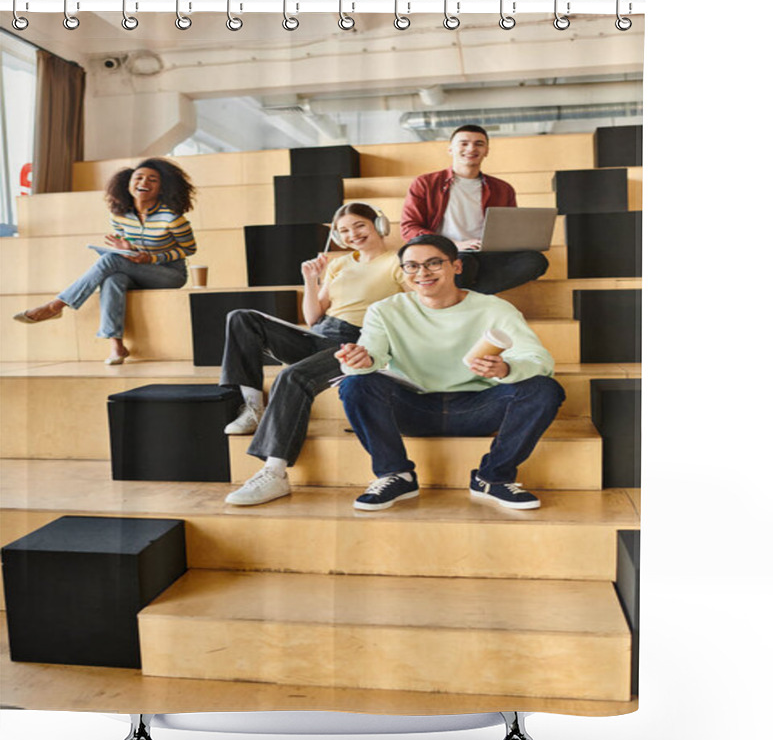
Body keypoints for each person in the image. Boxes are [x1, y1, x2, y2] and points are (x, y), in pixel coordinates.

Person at [335, 234, 565, 512]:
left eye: (433, 263)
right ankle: (395, 475)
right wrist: (359, 360)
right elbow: (370, 356)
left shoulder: (494, 308)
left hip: (479, 408)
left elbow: (538, 359)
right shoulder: (385, 311)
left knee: (544, 389)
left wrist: (507, 369)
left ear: (457, 266)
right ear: (403, 271)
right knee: (355, 384)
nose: (422, 272)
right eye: (412, 266)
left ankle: (493, 478)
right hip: (413, 407)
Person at [222, 202, 407, 507]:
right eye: (344, 230)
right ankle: (253, 407)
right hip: (319, 334)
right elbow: (312, 317)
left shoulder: (397, 262)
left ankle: (275, 471)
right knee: (241, 317)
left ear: (380, 224)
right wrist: (311, 280)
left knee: (293, 376)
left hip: (356, 341)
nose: (352, 234)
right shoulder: (339, 264)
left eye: (359, 225)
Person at [13, 158, 196, 365]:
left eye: (153, 179)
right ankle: (116, 347)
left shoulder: (172, 218)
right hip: (137, 269)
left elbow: (189, 249)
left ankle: (56, 305)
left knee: (111, 261)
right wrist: (131, 250)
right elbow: (129, 247)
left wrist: (152, 258)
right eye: (139, 177)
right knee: (114, 279)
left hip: (169, 274)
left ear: (161, 188)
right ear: (128, 184)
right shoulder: (119, 216)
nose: (144, 182)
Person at [400, 124, 549, 294]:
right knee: (465, 264)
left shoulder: (503, 188)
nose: (471, 148)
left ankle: (471, 296)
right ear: (450, 149)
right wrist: (455, 245)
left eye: (479, 144)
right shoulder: (426, 183)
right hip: (449, 254)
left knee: (535, 261)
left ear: (486, 150)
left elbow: (508, 231)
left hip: (488, 254)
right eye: (463, 143)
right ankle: (474, 297)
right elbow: (409, 228)